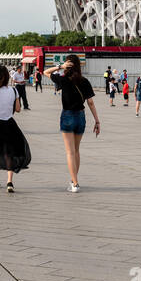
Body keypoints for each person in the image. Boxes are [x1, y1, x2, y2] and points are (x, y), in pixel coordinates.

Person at [50, 54, 99, 193]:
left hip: (67, 116)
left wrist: (60, 67)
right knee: (76, 151)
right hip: (81, 116)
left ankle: (75, 183)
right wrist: (97, 120)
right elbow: (90, 102)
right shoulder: (84, 81)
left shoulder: (63, 79)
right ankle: (74, 180)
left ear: (68, 66)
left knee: (70, 152)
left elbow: (45, 72)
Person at [0, 65, 30, 193]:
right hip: (9, 123)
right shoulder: (14, 90)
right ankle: (9, 182)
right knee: (9, 152)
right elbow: (18, 109)